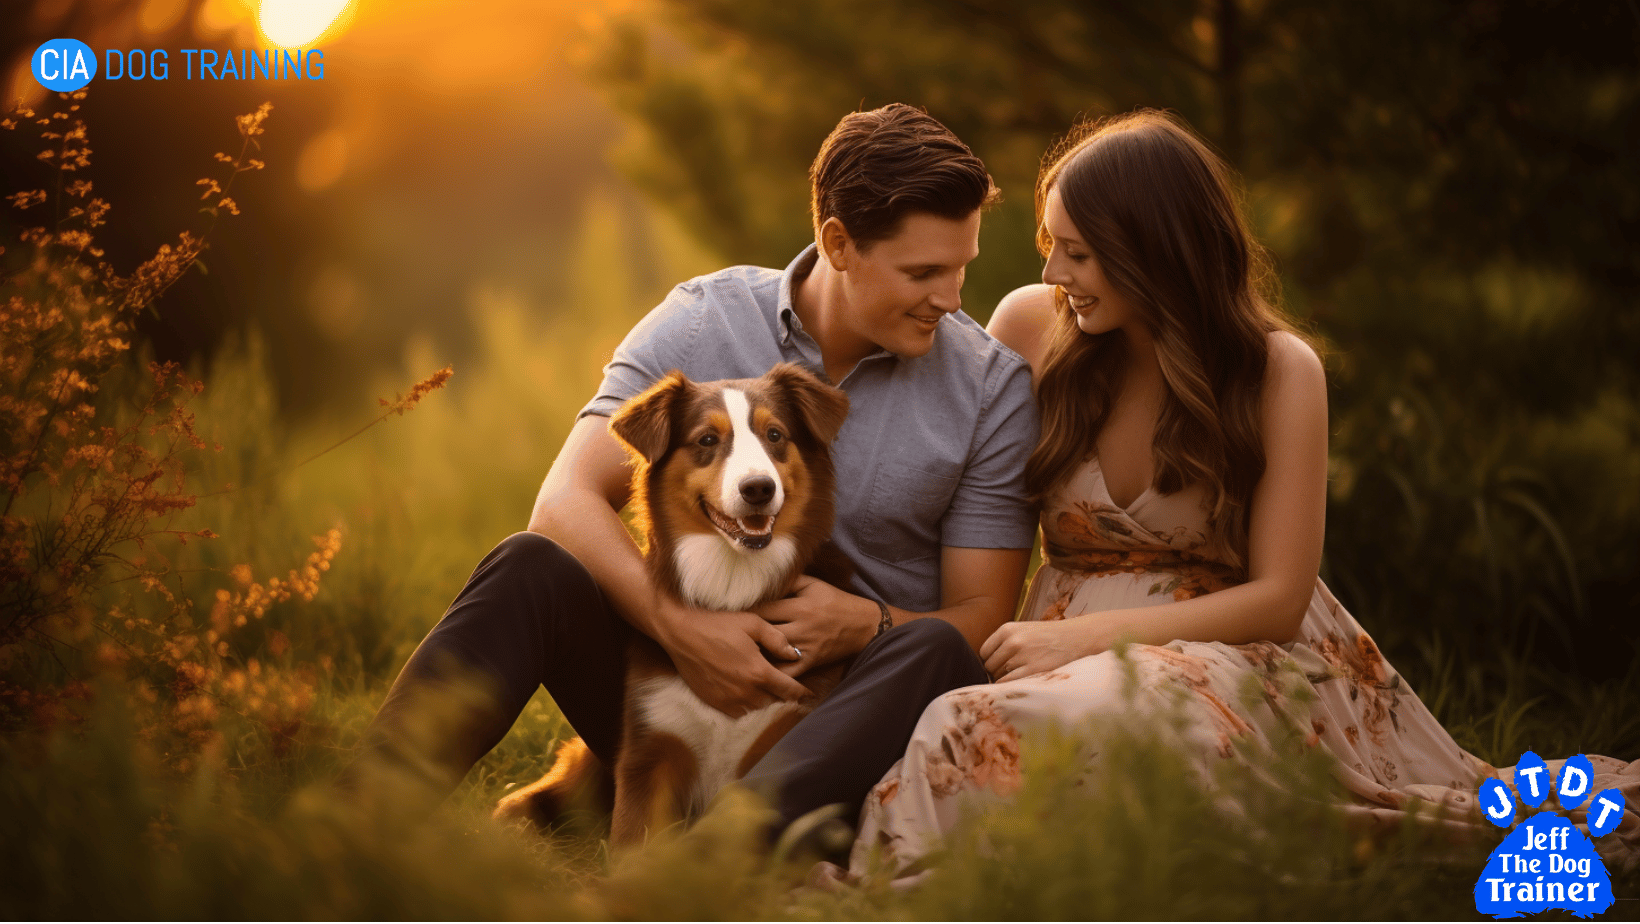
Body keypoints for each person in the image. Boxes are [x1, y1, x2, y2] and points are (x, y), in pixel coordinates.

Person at [848, 110, 1639, 875]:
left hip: (1225, 646)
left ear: (1153, 251)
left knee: (1075, 727)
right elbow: (960, 494)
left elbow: (1281, 599)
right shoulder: (1030, 325)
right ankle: (920, 888)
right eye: (1052, 244)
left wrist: (1086, 640)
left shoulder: (1277, 371)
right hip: (1055, 637)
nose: (1054, 272)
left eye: (1080, 254)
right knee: (971, 725)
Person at [345, 104, 1041, 841]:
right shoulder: (705, 320)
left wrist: (865, 625)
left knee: (930, 649)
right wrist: (680, 629)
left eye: (960, 268)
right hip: (671, 694)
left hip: (842, 723)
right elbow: (563, 502)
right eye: (924, 272)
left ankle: (707, 869)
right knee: (530, 566)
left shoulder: (988, 388)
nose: (953, 299)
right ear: (839, 243)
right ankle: (350, 829)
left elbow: (982, 616)